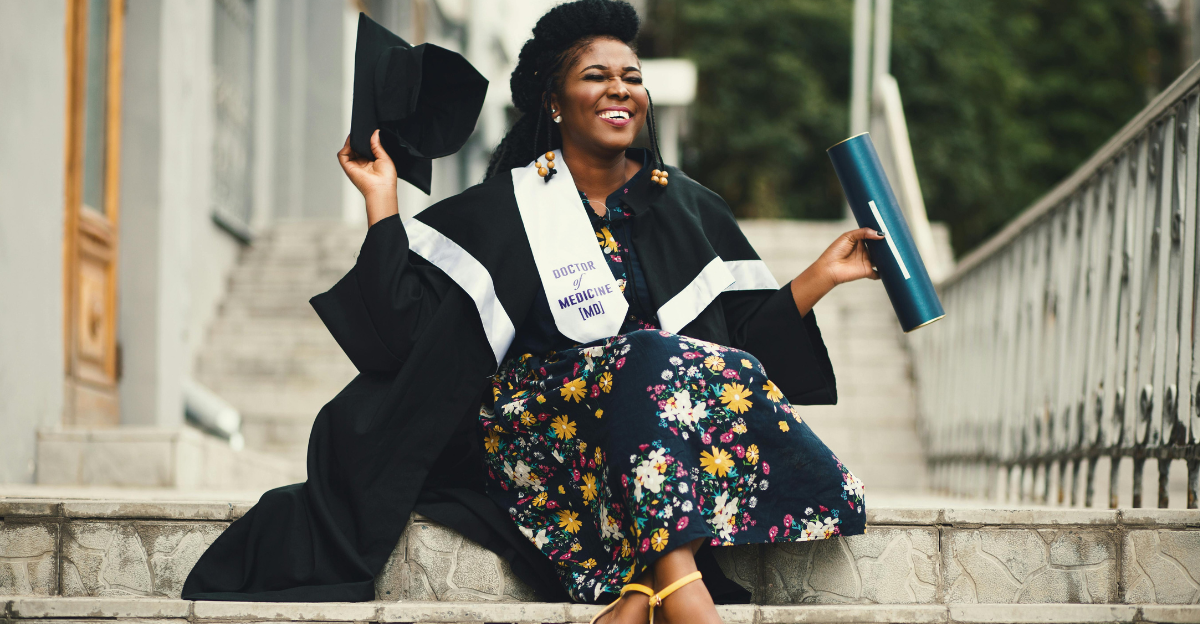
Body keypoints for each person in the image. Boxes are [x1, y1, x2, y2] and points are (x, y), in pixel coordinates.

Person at [183, 2, 874, 621]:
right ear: (554, 100)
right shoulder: (506, 211)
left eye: (632, 77)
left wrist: (817, 278)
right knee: (650, 354)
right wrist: (382, 202)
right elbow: (401, 336)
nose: (620, 89)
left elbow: (740, 358)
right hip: (538, 441)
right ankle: (676, 582)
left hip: (648, 438)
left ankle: (646, 590)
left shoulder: (691, 208)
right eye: (596, 76)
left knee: (671, 362)